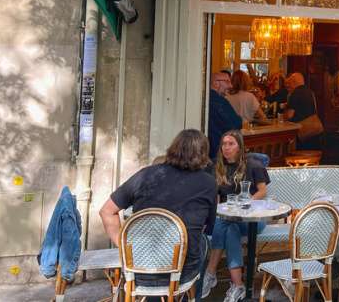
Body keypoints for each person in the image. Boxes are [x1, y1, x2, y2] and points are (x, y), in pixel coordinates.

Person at [99, 129, 217, 298]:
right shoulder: (208, 183)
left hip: (140, 270)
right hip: (180, 273)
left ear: (173, 148)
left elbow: (106, 211)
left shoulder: (145, 175)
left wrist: (125, 247)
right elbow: (203, 226)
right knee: (202, 242)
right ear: (203, 155)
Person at [201, 130, 270, 302]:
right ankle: (238, 285)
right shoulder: (217, 167)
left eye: (231, 144)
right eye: (224, 144)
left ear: (240, 147)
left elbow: (262, 191)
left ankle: (210, 272)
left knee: (224, 221)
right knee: (229, 228)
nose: (227, 147)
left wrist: (243, 204)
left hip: (253, 219)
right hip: (228, 220)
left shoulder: (253, 163)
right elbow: (216, 200)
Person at [208, 71, 242, 159]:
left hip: (205, 153)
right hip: (219, 154)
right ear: (216, 83)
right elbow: (237, 125)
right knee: (262, 159)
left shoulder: (203, 97)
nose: (230, 85)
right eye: (227, 82)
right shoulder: (221, 102)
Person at [283, 72, 320, 151]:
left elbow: (289, 115)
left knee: (299, 155)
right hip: (313, 131)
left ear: (294, 83)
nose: (289, 86)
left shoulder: (294, 94)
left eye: (290, 83)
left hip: (301, 133)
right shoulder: (310, 92)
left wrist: (282, 119)